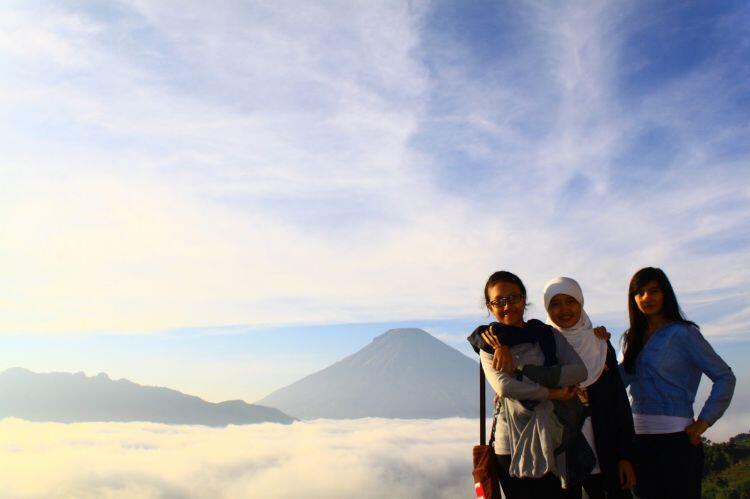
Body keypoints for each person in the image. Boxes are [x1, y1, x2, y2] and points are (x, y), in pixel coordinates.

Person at [468, 271, 588, 499]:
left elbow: (579, 371)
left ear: (524, 299)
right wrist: (552, 392)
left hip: (554, 437)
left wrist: (523, 370)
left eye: (513, 298)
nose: (507, 306)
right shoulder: (489, 344)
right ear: (489, 306)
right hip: (510, 445)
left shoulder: (547, 335)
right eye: (498, 301)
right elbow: (505, 387)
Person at [620, 267, 736, 499]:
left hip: (676, 442)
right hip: (638, 443)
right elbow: (616, 385)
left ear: (666, 294)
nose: (646, 298)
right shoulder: (632, 338)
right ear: (633, 299)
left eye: (653, 291)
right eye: (640, 292)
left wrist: (704, 422)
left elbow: (725, 377)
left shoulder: (684, 334)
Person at [543, 276, 636, 499]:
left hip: (606, 453)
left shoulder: (600, 345)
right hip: (562, 458)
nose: (564, 309)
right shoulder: (543, 349)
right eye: (555, 303)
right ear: (547, 308)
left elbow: (619, 403)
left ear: (580, 303)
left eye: (570, 301)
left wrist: (626, 456)